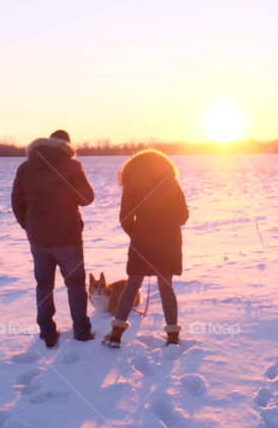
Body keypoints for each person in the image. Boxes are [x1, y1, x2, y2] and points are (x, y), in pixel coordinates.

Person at [11, 129, 95, 348]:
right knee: (76, 285)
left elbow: (16, 202)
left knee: (44, 283)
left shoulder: (26, 167)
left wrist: (29, 226)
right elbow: (86, 198)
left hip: (38, 238)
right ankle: (81, 330)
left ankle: (46, 330)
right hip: (68, 237)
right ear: (67, 146)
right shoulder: (72, 166)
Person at [103, 149, 188, 348]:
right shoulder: (171, 182)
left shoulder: (132, 184)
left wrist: (138, 235)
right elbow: (183, 216)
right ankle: (173, 337)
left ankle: (116, 334)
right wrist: (167, 228)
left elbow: (125, 217)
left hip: (142, 241)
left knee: (132, 284)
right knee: (166, 287)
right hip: (169, 241)